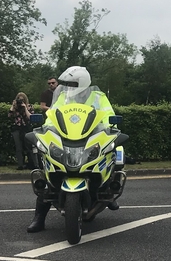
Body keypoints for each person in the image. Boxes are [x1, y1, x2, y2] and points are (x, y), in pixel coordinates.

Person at [27, 66, 118, 233]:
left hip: (90, 137)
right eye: (67, 84)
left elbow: (108, 116)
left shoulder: (98, 97)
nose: (68, 87)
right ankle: (39, 218)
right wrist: (46, 130)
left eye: (72, 84)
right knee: (46, 169)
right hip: (67, 137)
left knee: (115, 151)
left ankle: (109, 188)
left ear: (82, 83)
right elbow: (52, 115)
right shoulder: (63, 96)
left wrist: (108, 127)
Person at [8, 92, 35, 170]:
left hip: (26, 128)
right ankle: (20, 164)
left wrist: (25, 108)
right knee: (18, 147)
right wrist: (13, 106)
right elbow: (9, 116)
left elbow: (30, 117)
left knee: (29, 147)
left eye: (22, 100)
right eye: (19, 100)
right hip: (17, 128)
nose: (20, 101)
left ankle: (31, 163)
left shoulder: (29, 106)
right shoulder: (15, 107)